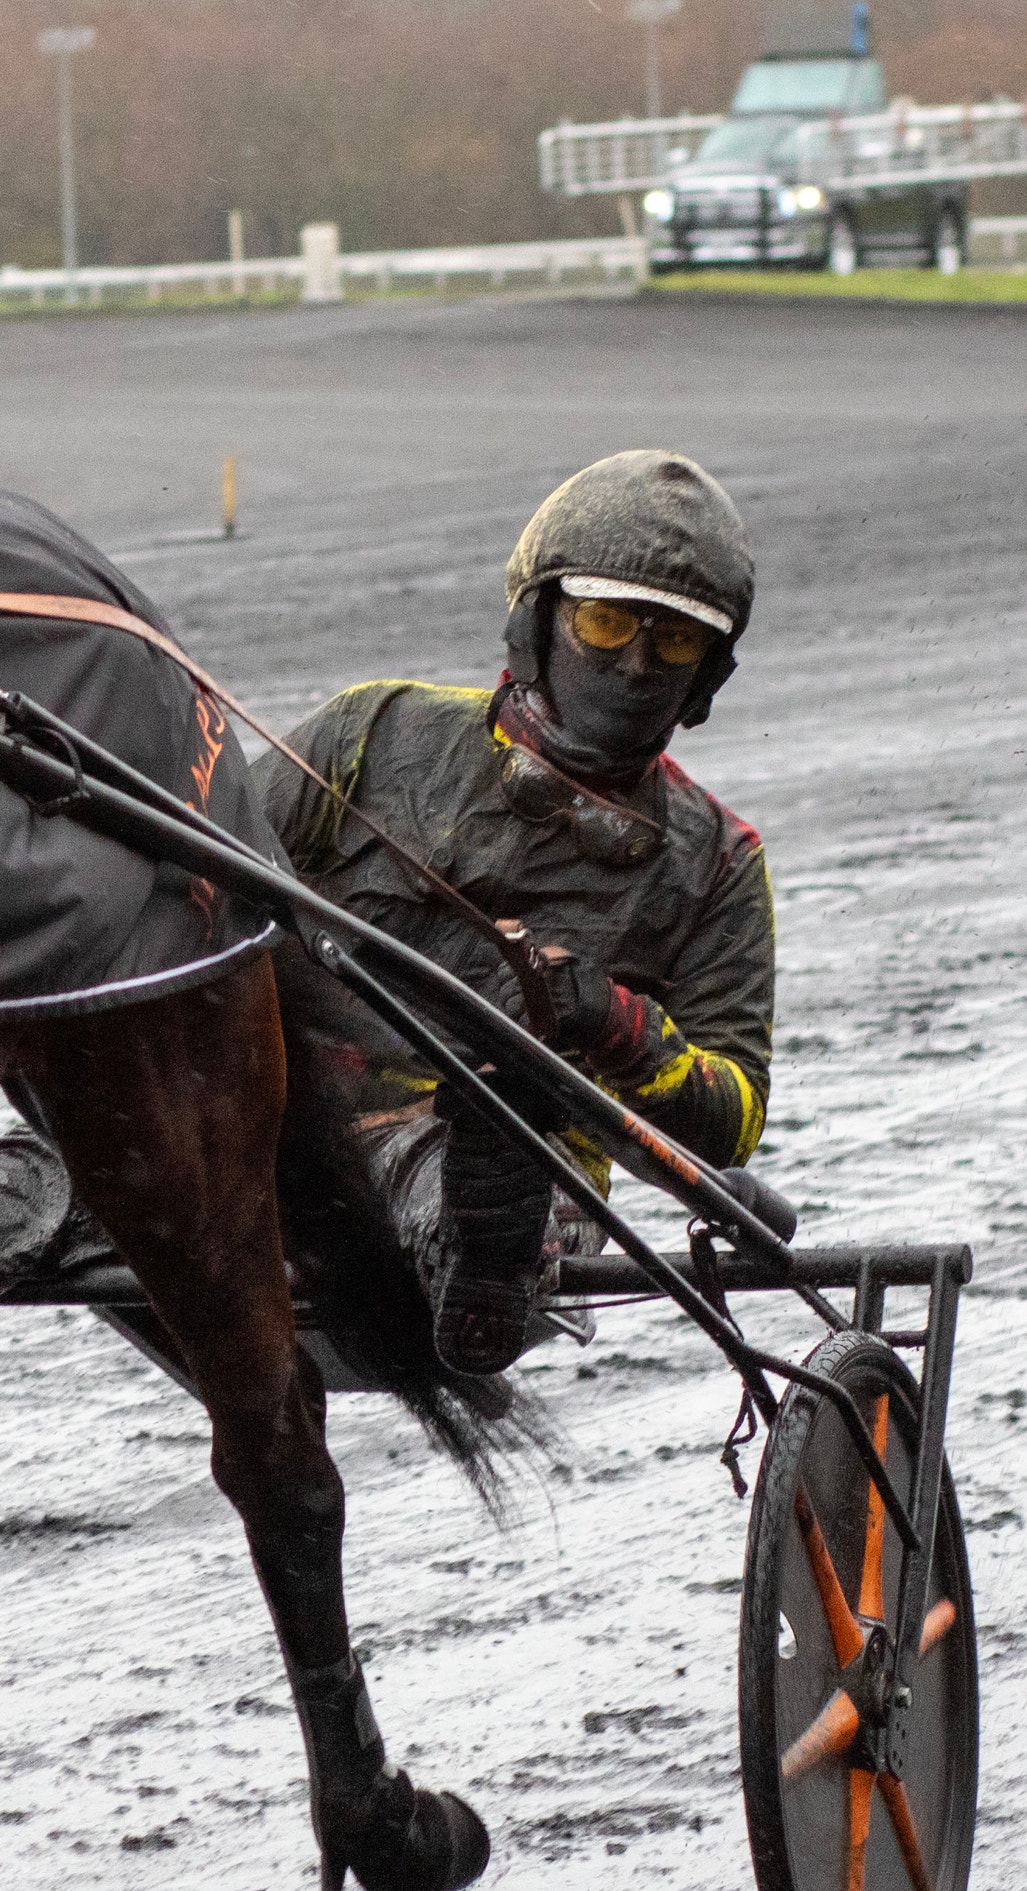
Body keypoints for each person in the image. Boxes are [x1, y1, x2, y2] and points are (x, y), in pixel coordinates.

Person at [265, 448, 777, 1373]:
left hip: (525, 1183)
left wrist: (616, 1025)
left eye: (674, 642)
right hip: (265, 1120)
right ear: (538, 621)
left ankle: (483, 1246)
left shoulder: (719, 863)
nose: (634, 665)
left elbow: (734, 1122)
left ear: (706, 675)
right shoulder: (370, 732)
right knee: (53, 1163)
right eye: (609, 621)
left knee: (481, 1173)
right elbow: (203, 874)